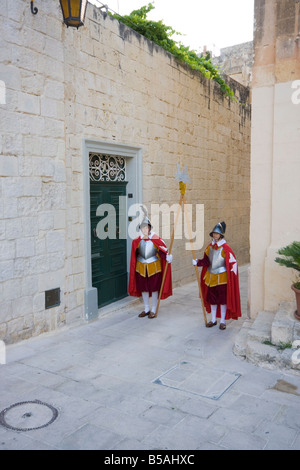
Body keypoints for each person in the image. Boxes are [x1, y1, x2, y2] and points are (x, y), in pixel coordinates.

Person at [193, 221, 241, 330]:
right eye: (214, 233)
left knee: (222, 300)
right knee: (212, 299)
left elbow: (232, 263)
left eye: (217, 234)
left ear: (221, 235)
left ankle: (223, 321)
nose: (215, 235)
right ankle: (214, 319)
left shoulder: (226, 248)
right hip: (210, 277)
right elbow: (206, 261)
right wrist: (197, 262)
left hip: (222, 278)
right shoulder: (209, 247)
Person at [128, 216, 173, 318]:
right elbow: (134, 256)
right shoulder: (136, 241)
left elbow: (162, 252)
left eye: (146, 227)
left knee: (154, 289)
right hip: (141, 268)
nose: (145, 229)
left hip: (154, 268)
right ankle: (146, 308)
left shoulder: (156, 239)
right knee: (143, 289)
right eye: (143, 228)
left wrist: (167, 257)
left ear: (149, 228)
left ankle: (153, 309)